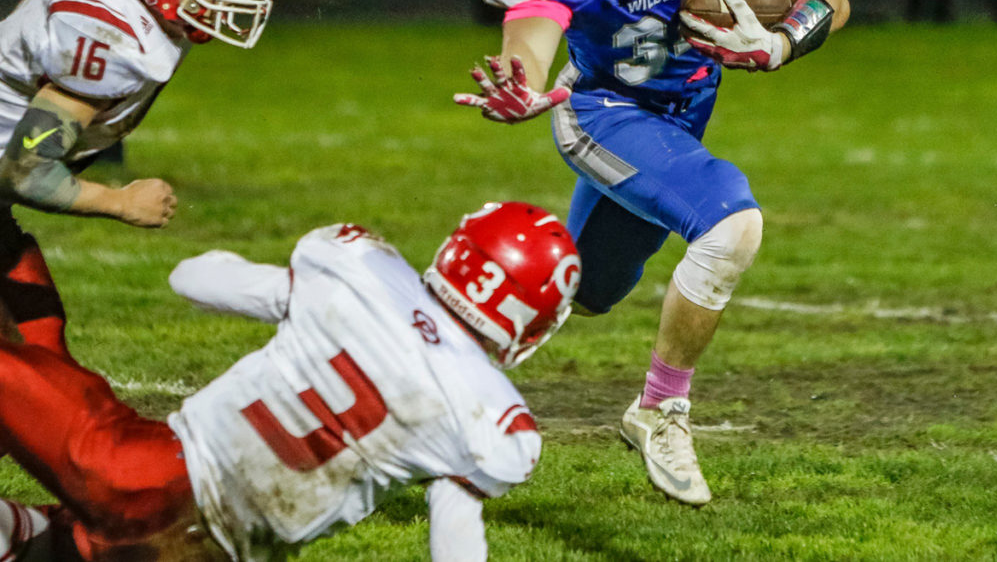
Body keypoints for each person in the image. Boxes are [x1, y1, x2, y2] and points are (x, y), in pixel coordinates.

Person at [456, 0, 849, 506]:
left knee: (591, 287)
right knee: (731, 224)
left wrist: (779, 44)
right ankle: (660, 410)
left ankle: (436, 366)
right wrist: (520, 79)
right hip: (601, 107)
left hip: (681, 112)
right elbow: (531, 34)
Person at [0, 201, 582, 560]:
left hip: (145, 472)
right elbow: (455, 528)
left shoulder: (360, 272)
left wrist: (286, 293)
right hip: (214, 555)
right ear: (528, 324)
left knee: (29, 351)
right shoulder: (491, 418)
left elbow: (192, 279)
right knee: (53, 546)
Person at [0, 0, 416, 364]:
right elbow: (25, 170)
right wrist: (120, 201)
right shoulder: (104, 33)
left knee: (40, 351)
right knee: (31, 365)